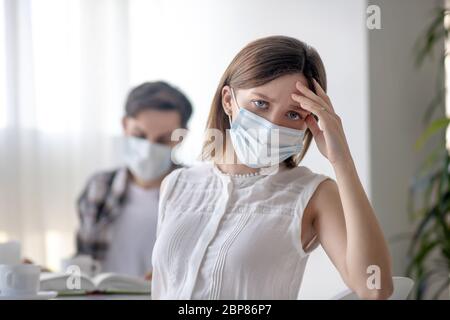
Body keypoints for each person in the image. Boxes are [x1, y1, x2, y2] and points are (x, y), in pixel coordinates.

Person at [151, 36, 394, 299]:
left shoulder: (313, 194)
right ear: (228, 100)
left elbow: (375, 288)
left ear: (309, 121)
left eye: (293, 114)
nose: (271, 125)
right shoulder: (176, 184)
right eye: (261, 104)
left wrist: (342, 160)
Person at [76, 81, 192, 279]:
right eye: (139, 135)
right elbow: (84, 261)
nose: (148, 148)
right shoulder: (99, 187)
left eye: (162, 140)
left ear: (180, 138)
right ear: (124, 125)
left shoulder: (199, 190)